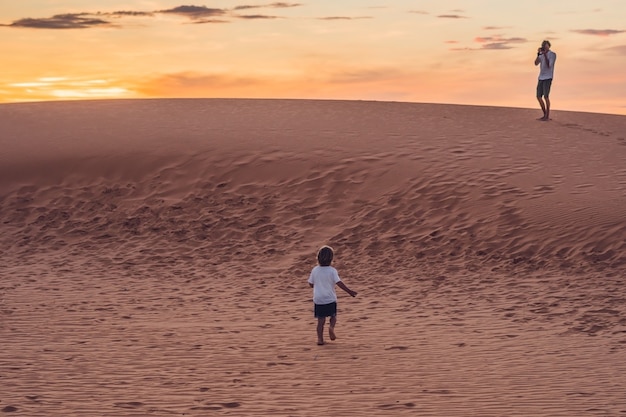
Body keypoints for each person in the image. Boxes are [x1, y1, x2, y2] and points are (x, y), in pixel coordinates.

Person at [307, 245, 357, 345]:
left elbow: (310, 284)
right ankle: (331, 327)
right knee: (333, 316)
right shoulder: (332, 271)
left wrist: (316, 284)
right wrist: (349, 291)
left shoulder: (315, 270)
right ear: (331, 258)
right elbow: (339, 283)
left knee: (320, 321)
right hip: (330, 299)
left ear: (318, 257)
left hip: (318, 299)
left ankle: (320, 340)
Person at [534, 40, 557, 121]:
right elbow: (536, 63)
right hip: (541, 77)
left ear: (549, 46)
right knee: (538, 96)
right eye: (544, 46)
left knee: (546, 96)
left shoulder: (552, 55)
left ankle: (547, 115)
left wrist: (545, 55)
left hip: (548, 77)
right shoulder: (541, 55)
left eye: (546, 46)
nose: (545, 47)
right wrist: (539, 54)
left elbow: (549, 65)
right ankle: (544, 114)